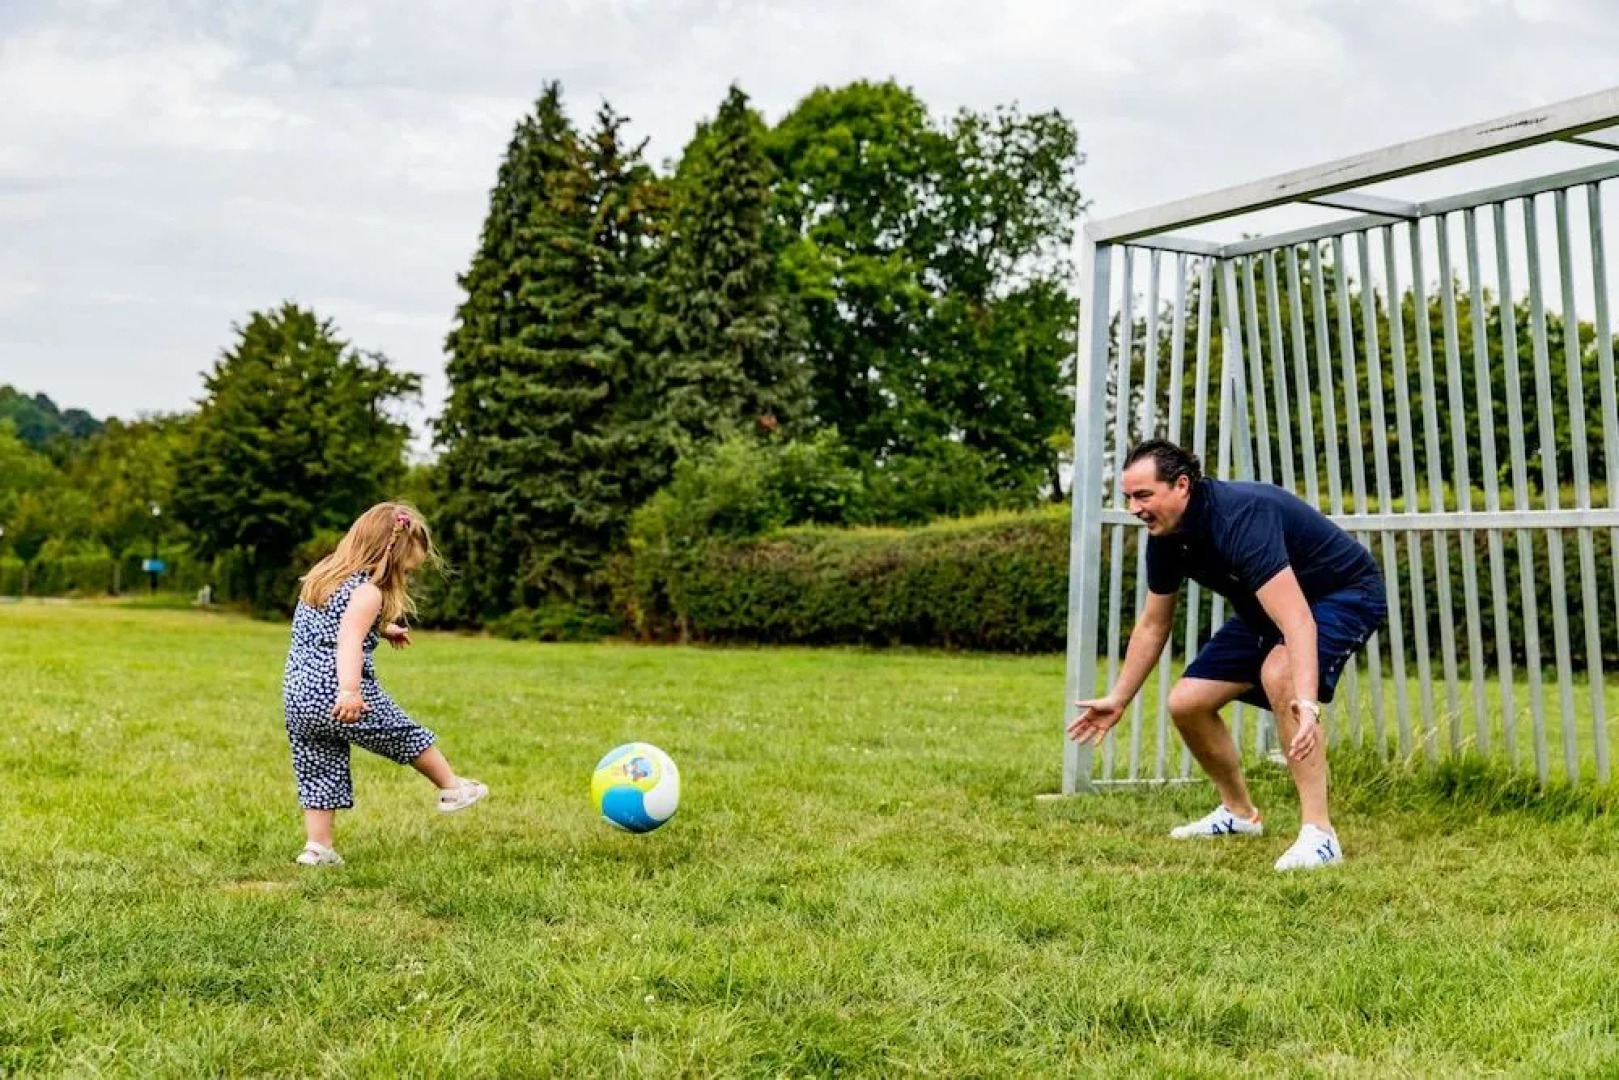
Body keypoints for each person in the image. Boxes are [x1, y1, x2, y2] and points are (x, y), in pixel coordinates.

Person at [1068, 440, 1387, 871]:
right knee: (1187, 703)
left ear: (1182, 485)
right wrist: (1119, 698)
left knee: (1280, 671)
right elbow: (1154, 623)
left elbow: (1298, 623)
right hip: (1269, 607)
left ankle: (1320, 835)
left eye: (1143, 495)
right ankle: (1239, 814)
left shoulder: (1239, 517)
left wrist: (1307, 705)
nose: (1134, 508)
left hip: (1343, 593)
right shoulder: (1164, 535)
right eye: (1128, 497)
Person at [282, 502, 487, 866]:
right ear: (389, 556)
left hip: (299, 695)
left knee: (318, 768)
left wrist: (385, 627)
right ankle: (451, 788)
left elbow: (337, 622)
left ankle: (318, 848)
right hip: (338, 693)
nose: (405, 579)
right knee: (403, 733)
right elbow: (347, 640)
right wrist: (349, 690)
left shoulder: (323, 575)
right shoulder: (369, 592)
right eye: (406, 570)